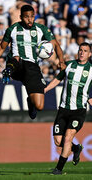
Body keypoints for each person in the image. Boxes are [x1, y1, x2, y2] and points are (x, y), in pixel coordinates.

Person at [0, 4, 65, 119]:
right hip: (16, 65)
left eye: (32, 16)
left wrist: (61, 60)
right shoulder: (13, 29)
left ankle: (30, 101)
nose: (29, 19)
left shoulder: (42, 29)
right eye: (26, 17)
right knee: (16, 57)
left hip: (32, 67)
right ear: (21, 17)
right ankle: (8, 70)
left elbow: (55, 45)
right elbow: (1, 47)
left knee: (39, 106)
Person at [45, 42, 92, 175]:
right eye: (80, 50)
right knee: (58, 140)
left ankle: (58, 169)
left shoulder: (91, 71)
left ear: (89, 54)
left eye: (85, 51)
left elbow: (90, 95)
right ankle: (76, 148)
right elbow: (58, 79)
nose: (82, 53)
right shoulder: (70, 65)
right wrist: (45, 89)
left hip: (79, 111)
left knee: (67, 138)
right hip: (63, 109)